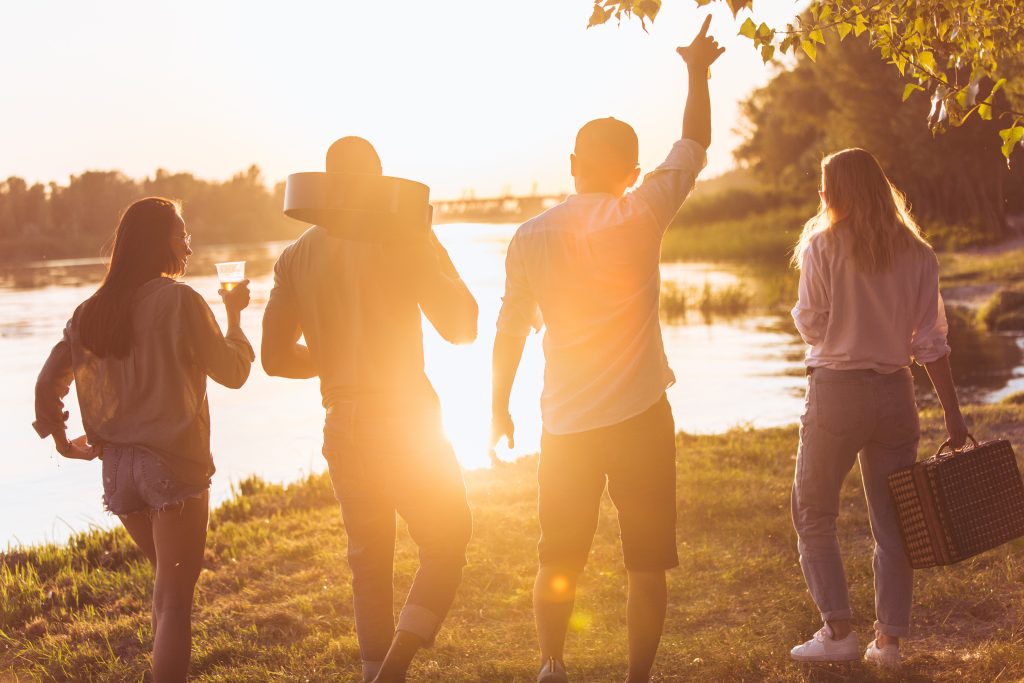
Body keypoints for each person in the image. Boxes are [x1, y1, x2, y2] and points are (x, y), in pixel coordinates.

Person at [490, 17, 723, 683]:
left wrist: (498, 409)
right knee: (645, 562)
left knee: (557, 555)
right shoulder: (643, 210)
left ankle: (552, 664)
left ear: (571, 166)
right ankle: (637, 679)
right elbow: (695, 142)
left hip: (565, 424)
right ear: (631, 171)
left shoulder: (528, 237)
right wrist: (698, 71)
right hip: (642, 420)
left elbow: (510, 328)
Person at [261, 137, 477, 683]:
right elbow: (463, 326)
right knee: (448, 538)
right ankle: (395, 668)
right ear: (380, 182)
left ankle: (373, 675)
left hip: (343, 421)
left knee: (368, 562)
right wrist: (431, 241)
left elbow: (275, 358)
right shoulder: (405, 238)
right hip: (404, 417)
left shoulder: (294, 257)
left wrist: (333, 357)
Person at [33, 197, 254, 683]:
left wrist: (61, 438)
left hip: (119, 474)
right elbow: (233, 372)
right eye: (181, 235)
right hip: (172, 467)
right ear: (159, 242)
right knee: (175, 602)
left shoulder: (90, 312)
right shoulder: (180, 301)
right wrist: (235, 317)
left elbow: (49, 379)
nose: (189, 247)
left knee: (165, 592)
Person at [788, 148, 969, 667]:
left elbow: (810, 324)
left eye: (824, 187)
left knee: (814, 512)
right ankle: (888, 643)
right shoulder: (918, 253)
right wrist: (954, 416)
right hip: (895, 394)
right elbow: (931, 342)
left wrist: (844, 326)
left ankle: (838, 632)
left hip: (837, 393)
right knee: (893, 522)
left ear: (836, 192)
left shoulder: (822, 247)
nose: (821, 196)